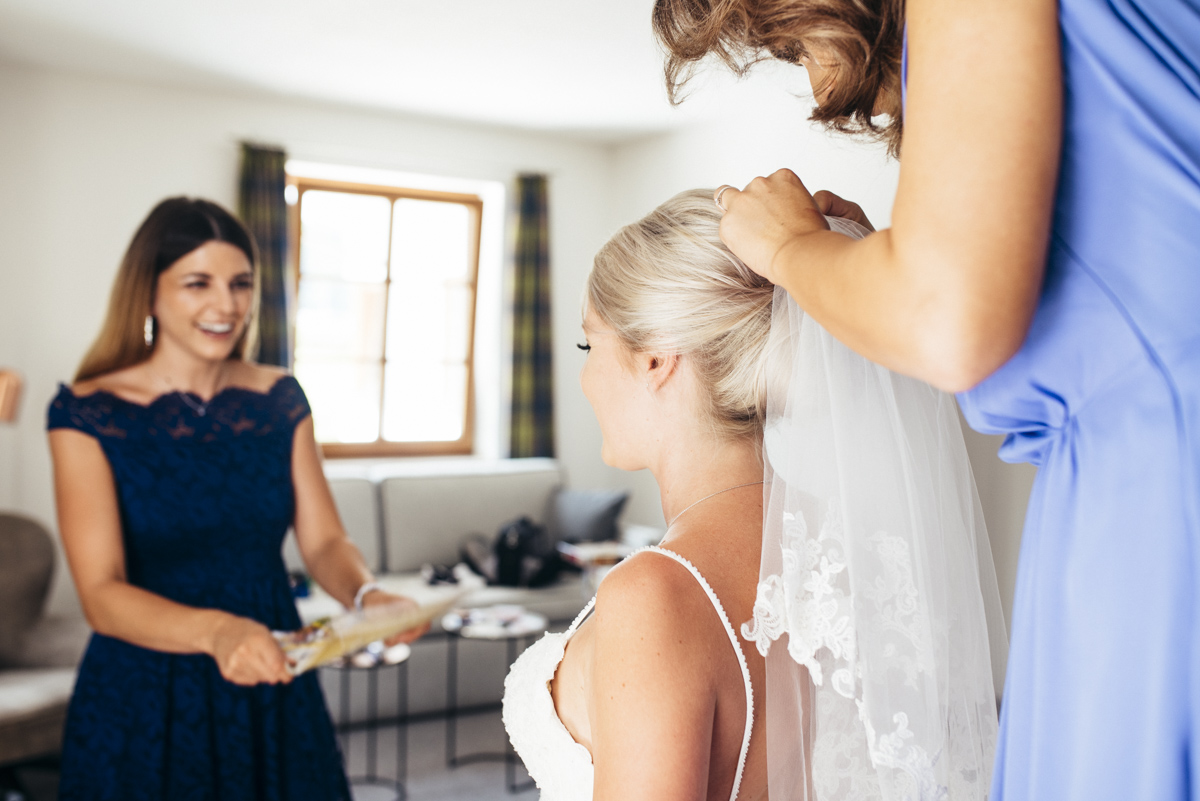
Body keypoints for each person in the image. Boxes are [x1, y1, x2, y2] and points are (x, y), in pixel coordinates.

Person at [653, 1, 1200, 800]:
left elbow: (944, 323)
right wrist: (887, 263)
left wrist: (789, 246)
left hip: (1159, 492)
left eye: (791, 44)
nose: (815, 82)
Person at [503, 189, 1004, 800]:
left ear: (658, 358)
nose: (584, 378)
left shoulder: (655, 596)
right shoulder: (856, 549)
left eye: (589, 345)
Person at [47, 197, 424, 800]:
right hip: (144, 686)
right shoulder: (85, 412)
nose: (225, 305)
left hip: (272, 675)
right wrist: (218, 633)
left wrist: (364, 593)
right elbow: (101, 593)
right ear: (149, 292)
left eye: (240, 284)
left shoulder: (280, 398)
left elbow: (324, 539)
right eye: (198, 283)